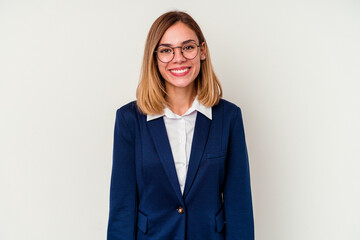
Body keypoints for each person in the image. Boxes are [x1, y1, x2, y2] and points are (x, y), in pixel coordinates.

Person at [107, 11, 254, 240]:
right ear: (154, 58)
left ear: (202, 51)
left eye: (188, 47)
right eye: (166, 50)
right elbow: (122, 209)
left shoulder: (229, 117)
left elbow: (239, 208)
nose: (178, 58)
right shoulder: (129, 120)